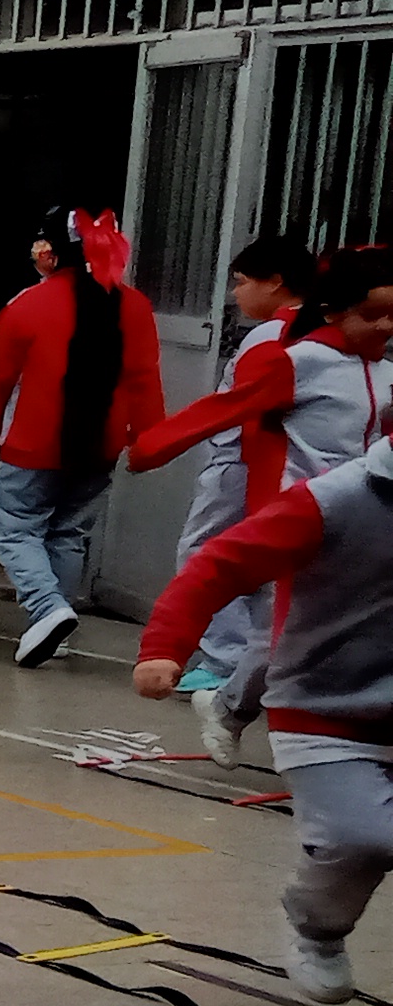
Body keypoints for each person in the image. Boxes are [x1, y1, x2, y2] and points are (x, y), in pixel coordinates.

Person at [135, 431, 393, 1006]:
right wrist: (165, 647)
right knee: (364, 837)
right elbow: (219, 565)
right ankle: (318, 928)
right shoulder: (333, 500)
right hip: (325, 712)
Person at [131, 243, 393, 757]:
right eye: (373, 314)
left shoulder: (386, 373)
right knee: (280, 633)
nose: (386, 326)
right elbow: (222, 408)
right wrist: (150, 447)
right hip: (298, 519)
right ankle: (232, 710)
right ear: (333, 310)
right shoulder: (299, 362)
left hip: (361, 524)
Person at [0, 208, 162, 667]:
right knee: (68, 533)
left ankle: (47, 608)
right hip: (101, 446)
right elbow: (145, 378)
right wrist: (148, 439)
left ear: (50, 253)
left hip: (33, 443)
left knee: (16, 530)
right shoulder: (134, 305)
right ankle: (56, 629)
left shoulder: (26, 305)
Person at [151, 236, 318, 761]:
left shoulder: (275, 335)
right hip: (269, 474)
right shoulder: (309, 336)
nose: (235, 294)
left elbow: (239, 409)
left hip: (247, 467)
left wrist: (161, 443)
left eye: (243, 282)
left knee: (209, 559)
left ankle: (223, 662)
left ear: (276, 283)